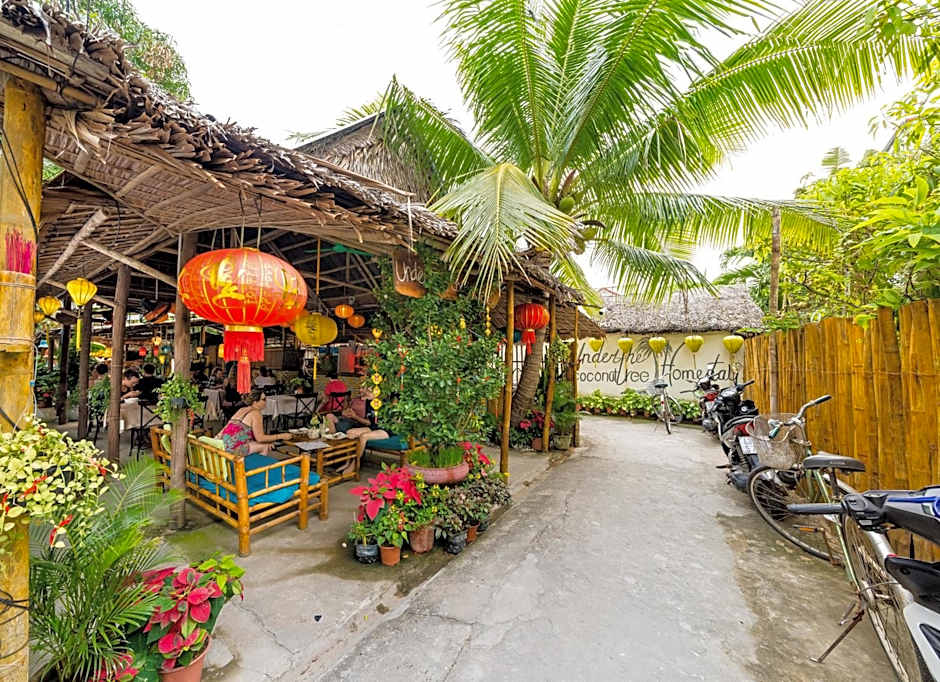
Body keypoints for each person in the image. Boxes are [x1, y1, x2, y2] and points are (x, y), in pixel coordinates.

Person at [326, 384, 390, 475]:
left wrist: (355, 416)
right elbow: (370, 422)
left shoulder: (381, 403)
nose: (365, 393)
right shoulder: (369, 402)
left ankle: (355, 464)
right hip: (372, 427)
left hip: (383, 429)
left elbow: (378, 422)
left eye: (368, 391)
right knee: (350, 433)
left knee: (363, 436)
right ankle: (347, 462)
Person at [216, 390, 292, 456]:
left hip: (221, 445)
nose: (266, 401)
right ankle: (259, 466)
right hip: (231, 449)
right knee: (265, 446)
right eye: (263, 399)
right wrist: (282, 436)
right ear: (255, 402)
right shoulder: (256, 413)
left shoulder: (242, 409)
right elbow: (260, 438)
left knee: (263, 443)